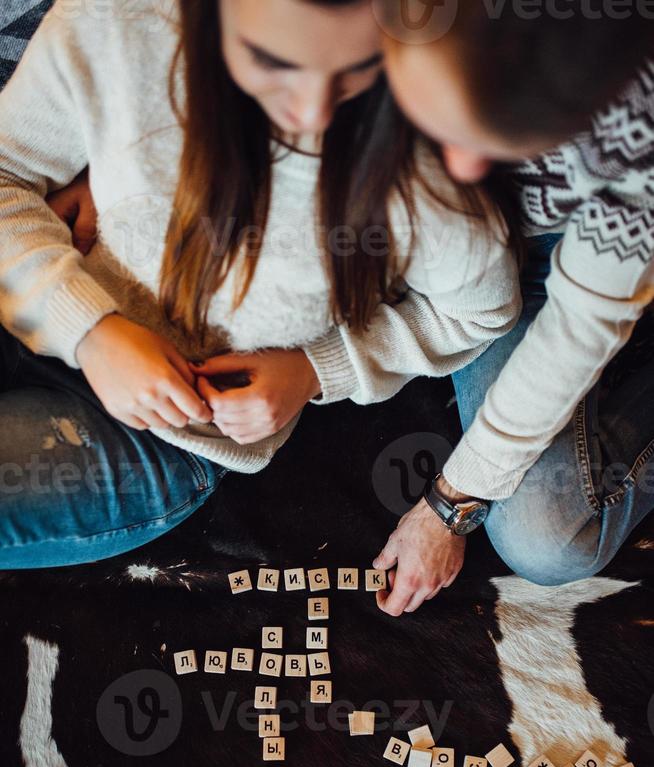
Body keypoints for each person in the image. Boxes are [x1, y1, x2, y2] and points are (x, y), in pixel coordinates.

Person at [0, 0, 520, 568]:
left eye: (358, 70)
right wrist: (90, 330)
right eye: (273, 61)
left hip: (173, 437)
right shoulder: (112, 27)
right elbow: (8, 173)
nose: (312, 113)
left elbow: (480, 314)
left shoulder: (429, 170)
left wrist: (316, 369)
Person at [366, 1, 654, 614]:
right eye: (448, 127)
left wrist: (450, 504)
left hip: (566, 267)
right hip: (482, 266)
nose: (468, 168)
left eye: (509, 140)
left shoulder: (640, 109)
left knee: (545, 542)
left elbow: (581, 327)